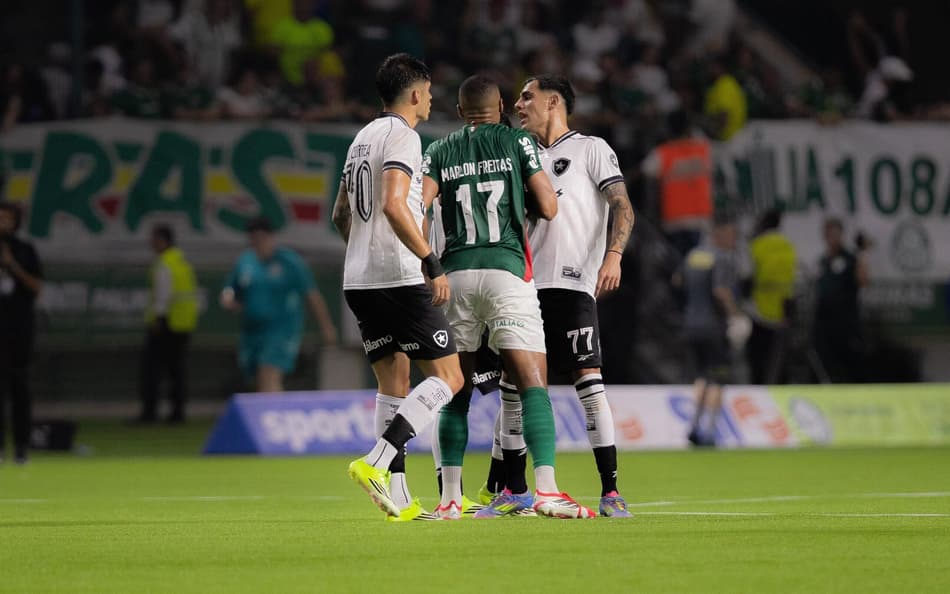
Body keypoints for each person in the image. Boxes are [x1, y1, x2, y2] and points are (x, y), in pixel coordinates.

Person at [423, 74, 594, 520]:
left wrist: (428, 263)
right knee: (532, 383)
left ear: (459, 112)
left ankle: (450, 498)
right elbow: (549, 207)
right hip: (506, 271)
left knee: (456, 389)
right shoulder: (517, 142)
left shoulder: (438, 150)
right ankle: (547, 490)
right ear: (500, 107)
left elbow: (418, 206)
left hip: (456, 274)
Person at [474, 74, 636, 517]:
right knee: (514, 388)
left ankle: (611, 491)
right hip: (521, 287)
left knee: (588, 381)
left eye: (527, 96)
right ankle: (513, 490)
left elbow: (622, 205)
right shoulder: (518, 152)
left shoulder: (591, 149)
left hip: (572, 285)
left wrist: (614, 255)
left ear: (554, 102)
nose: (519, 104)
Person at [332, 54, 465, 522]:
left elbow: (340, 214)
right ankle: (377, 461)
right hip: (399, 276)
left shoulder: (361, 139)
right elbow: (393, 203)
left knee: (393, 384)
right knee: (450, 377)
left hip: (359, 279)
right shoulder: (404, 137)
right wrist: (430, 260)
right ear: (413, 93)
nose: (430, 99)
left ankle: (402, 499)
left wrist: (364, 253)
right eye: (427, 92)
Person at [220, 217, 337, 393]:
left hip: (281, 329)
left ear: (271, 237)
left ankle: (273, 409)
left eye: (262, 238)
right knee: (258, 380)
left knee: (269, 373)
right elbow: (230, 289)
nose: (259, 243)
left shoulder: (290, 262)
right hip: (252, 331)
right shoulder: (245, 261)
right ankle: (269, 407)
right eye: (254, 239)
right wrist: (228, 299)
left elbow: (312, 295)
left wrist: (327, 327)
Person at [674, 216, 747, 447]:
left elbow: (677, 280)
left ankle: (694, 426)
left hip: (691, 324)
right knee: (717, 377)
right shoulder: (722, 257)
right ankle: (710, 432)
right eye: (732, 235)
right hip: (713, 326)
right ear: (719, 233)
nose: (734, 240)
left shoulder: (694, 255)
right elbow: (720, 291)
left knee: (701, 376)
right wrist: (736, 315)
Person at [137, 224, 199, 424]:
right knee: (177, 371)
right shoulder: (182, 262)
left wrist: (158, 319)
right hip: (183, 324)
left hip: (166, 323)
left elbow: (163, 295)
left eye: (154, 239)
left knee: (152, 370)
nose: (151, 243)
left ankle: (150, 412)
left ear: (163, 241)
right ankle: (177, 412)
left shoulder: (164, 263)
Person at [0, 203, 43, 464]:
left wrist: (12, 266)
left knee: (20, 387)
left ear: (15, 222)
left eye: (6, 218)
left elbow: (37, 288)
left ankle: (21, 446)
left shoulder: (25, 250)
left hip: (19, 328)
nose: (2, 223)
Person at [641, 110, 713, 259]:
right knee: (699, 263)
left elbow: (645, 169)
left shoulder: (664, 153)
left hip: (674, 219)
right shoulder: (703, 149)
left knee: (679, 263)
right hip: (700, 218)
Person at [813, 218, 869, 383]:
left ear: (841, 235)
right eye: (828, 234)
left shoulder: (850, 258)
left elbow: (863, 281)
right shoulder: (822, 261)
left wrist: (863, 253)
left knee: (851, 366)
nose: (832, 238)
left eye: (835, 234)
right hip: (824, 322)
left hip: (846, 322)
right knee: (826, 365)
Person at [747, 208, 797, 384]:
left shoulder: (757, 245)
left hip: (760, 310)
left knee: (758, 358)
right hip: (783, 309)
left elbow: (748, 275)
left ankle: (759, 390)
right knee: (780, 359)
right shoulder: (788, 245)